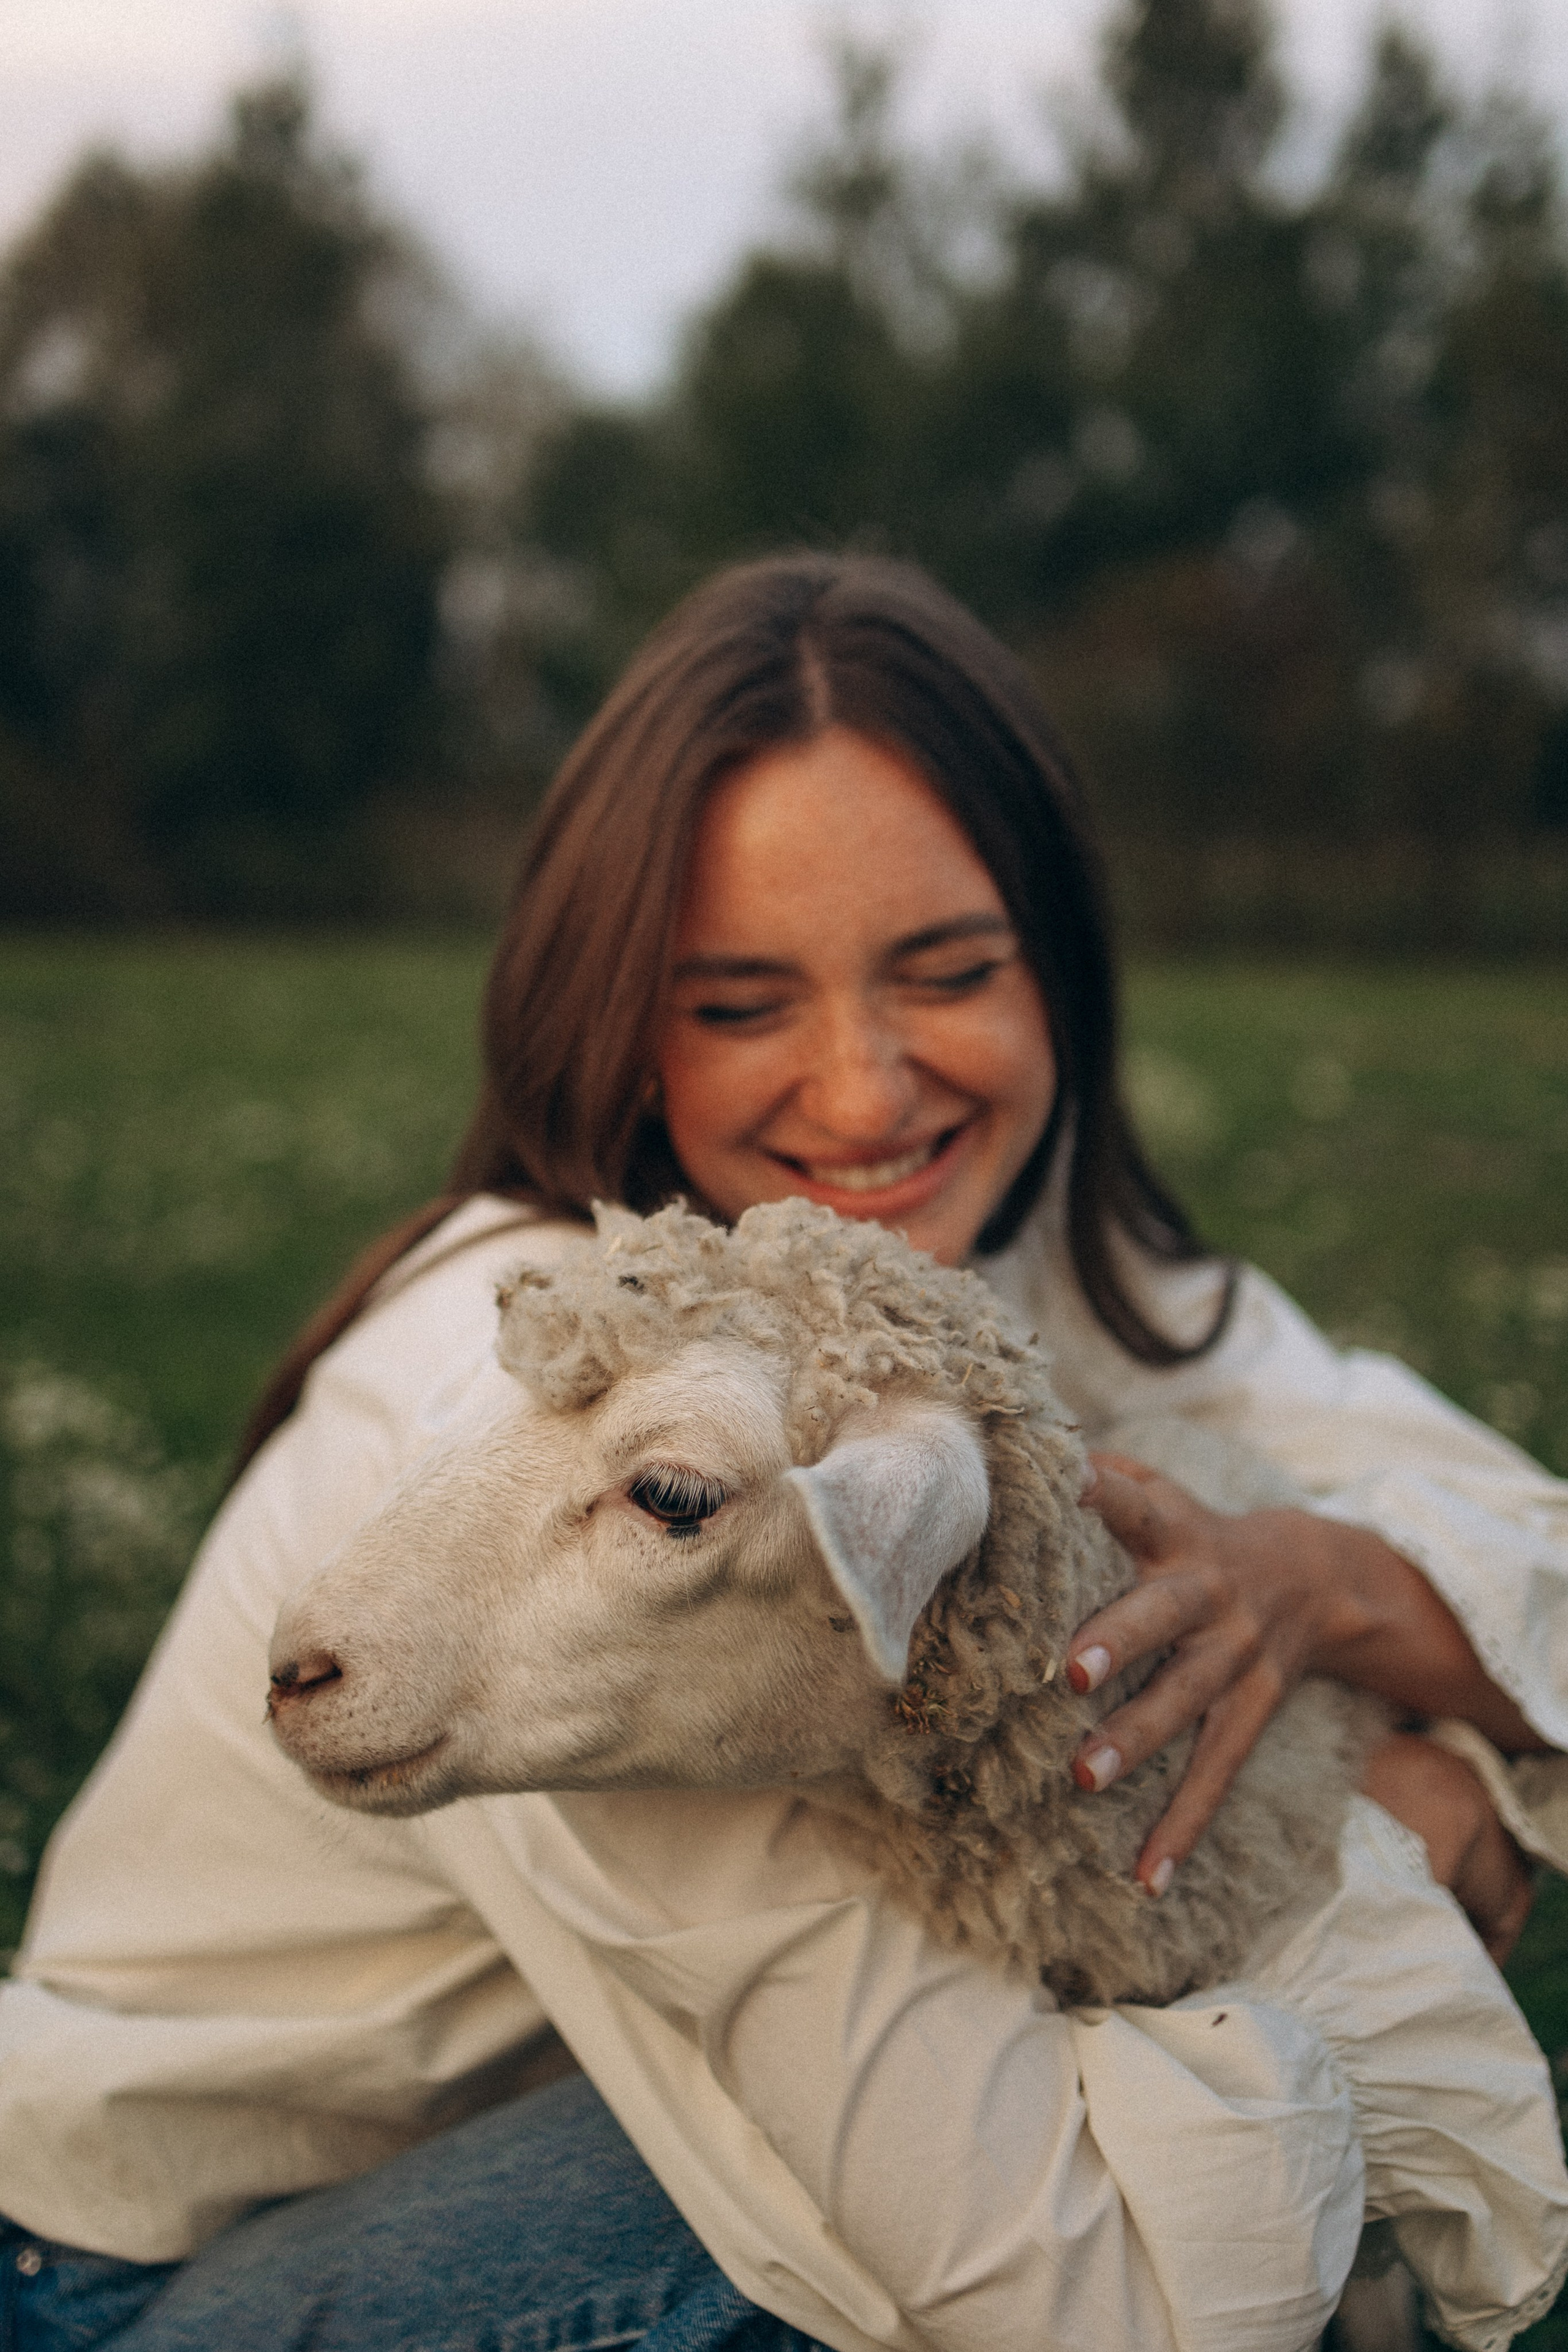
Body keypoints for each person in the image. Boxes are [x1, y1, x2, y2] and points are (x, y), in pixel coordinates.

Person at [4, 552, 1568, 2352]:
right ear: (621, 1022)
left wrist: (1342, 1592)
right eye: (741, 1005)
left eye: (953, 970)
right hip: (135, 2288)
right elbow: (1075, 2283)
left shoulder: (1045, 1271)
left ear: (1057, 963)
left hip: (476, 2153)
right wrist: (1389, 1858)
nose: (863, 1096)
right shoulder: (540, 1385)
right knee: (832, 2235)